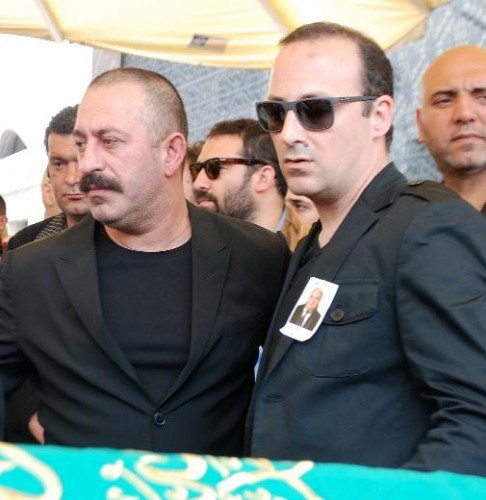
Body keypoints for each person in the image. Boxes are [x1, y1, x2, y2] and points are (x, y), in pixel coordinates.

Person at [0, 67, 289, 456]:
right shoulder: (29, 271)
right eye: (83, 144)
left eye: (110, 142)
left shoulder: (258, 257)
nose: (87, 164)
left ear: (171, 153)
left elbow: (295, 387)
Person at [247, 22, 486, 476]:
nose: (289, 133)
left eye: (315, 110)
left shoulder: (429, 227)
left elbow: (476, 420)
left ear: (379, 116)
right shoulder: (313, 243)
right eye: (275, 113)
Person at [192, 118, 310, 250]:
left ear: (263, 178)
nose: (197, 184)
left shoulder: (315, 247)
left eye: (214, 168)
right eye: (197, 169)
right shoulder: (202, 251)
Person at [417, 45, 486, 215]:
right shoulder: (402, 223)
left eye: (484, 97)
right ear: (420, 124)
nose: (465, 114)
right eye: (444, 101)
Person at [8, 105, 88, 250]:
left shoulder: (130, 240)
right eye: (59, 164)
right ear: (49, 173)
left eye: (81, 161)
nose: (72, 178)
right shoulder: (24, 246)